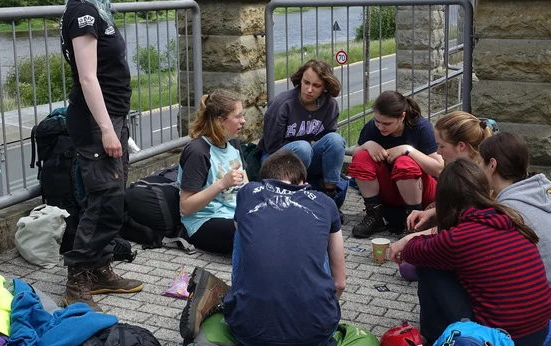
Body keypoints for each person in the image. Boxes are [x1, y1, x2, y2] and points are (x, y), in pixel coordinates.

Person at [388, 159, 551, 346]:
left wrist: (407, 240)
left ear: (444, 199)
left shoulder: (458, 239)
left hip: (501, 343)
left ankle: (435, 343)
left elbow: (414, 252)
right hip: (539, 332)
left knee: (429, 267)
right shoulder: (508, 220)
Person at [59, 0, 144, 306]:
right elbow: (87, 78)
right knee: (104, 199)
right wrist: (108, 130)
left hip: (111, 116)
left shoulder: (95, 9)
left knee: (112, 196)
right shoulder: (83, 13)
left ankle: (100, 268)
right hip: (97, 122)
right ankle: (77, 283)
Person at [222, 150, 346, 346]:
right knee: (316, 239)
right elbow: (340, 284)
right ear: (304, 183)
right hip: (313, 338)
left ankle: (245, 296)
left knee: (242, 230)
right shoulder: (325, 203)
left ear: (264, 181)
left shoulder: (247, 193)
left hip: (250, 335)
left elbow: (241, 225)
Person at [478, 132, 551, 323]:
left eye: (480, 162)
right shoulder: (537, 195)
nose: (478, 168)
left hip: (546, 310)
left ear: (492, 165)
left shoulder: (510, 210)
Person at [350, 91, 444, 238]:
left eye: (387, 123)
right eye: (377, 121)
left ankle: (414, 221)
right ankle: (374, 215)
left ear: (402, 116)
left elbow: (438, 168)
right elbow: (356, 154)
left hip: (421, 191)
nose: (381, 127)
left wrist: (408, 150)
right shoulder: (373, 127)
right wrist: (367, 145)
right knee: (362, 156)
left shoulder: (421, 127)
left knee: (404, 162)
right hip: (390, 189)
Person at [258, 59, 347, 203]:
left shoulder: (330, 105)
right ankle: (295, 197)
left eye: (316, 85)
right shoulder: (282, 105)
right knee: (303, 148)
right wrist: (306, 146)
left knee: (336, 140)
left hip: (308, 157)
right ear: (300, 80)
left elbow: (326, 139)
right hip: (276, 161)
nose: (309, 89)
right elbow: (272, 146)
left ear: (325, 87)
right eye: (306, 83)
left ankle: (330, 197)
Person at [178, 91, 247, 255]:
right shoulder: (198, 151)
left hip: (234, 214)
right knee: (252, 231)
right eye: (238, 116)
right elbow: (186, 207)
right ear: (220, 121)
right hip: (203, 222)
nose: (243, 121)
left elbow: (246, 186)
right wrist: (222, 183)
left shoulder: (233, 143)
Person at [405, 111, 494, 232]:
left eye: (441, 146)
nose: (438, 152)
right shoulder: (466, 170)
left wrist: (413, 238)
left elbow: (464, 224)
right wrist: (432, 212)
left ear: (461, 146)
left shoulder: (477, 177)